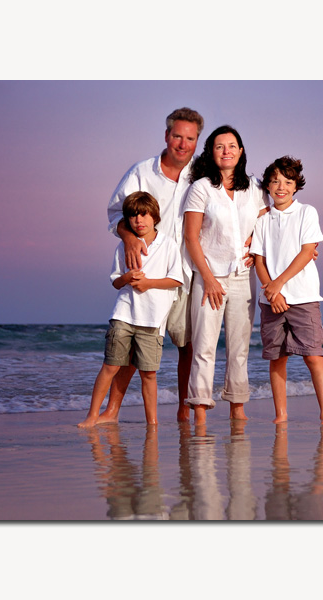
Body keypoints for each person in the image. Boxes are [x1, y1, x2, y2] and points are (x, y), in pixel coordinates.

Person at [105, 107, 204, 423]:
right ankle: (111, 411)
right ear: (167, 136)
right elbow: (114, 214)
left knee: (186, 345)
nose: (183, 144)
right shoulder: (141, 172)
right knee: (136, 345)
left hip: (186, 272)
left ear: (197, 141)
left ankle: (183, 410)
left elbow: (244, 194)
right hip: (148, 274)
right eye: (178, 136)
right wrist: (129, 238)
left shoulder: (203, 174)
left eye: (190, 138)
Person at [183, 125, 269, 426]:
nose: (227, 151)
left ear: (241, 151)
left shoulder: (255, 188)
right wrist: (207, 277)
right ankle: (200, 409)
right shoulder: (201, 188)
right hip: (210, 277)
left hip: (244, 277)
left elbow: (267, 227)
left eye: (232, 145)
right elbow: (191, 237)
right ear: (211, 152)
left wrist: (253, 243)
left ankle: (237, 406)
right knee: (204, 345)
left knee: (239, 346)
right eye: (220, 146)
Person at [78, 192, 183, 428]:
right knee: (110, 366)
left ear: (155, 217)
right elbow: (115, 281)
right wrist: (127, 277)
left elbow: (176, 279)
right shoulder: (123, 247)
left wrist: (149, 283)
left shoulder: (168, 245)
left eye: (144, 214)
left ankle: (152, 423)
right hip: (123, 315)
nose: (139, 220)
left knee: (148, 374)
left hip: (153, 320)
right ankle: (92, 416)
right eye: (133, 216)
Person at [250, 156, 323, 425]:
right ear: (267, 186)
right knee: (277, 358)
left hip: (304, 297)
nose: (281, 187)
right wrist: (272, 292)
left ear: (297, 185)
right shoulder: (262, 220)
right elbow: (258, 260)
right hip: (271, 300)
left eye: (287, 181)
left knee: (313, 356)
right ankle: (281, 415)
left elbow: (308, 251)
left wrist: (278, 284)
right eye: (274, 181)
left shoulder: (306, 212)